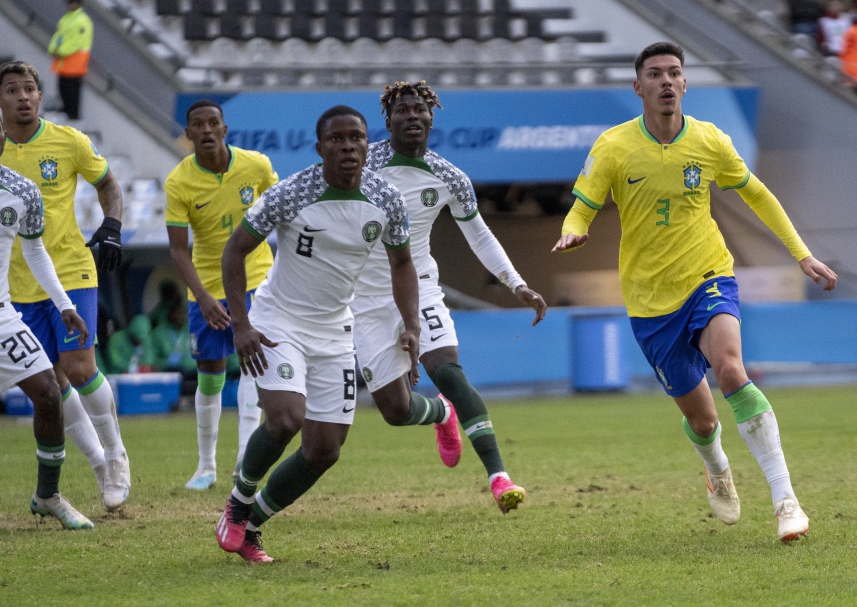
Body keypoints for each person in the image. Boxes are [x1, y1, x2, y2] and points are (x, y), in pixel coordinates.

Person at [552, 42, 838, 543]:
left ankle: (785, 501)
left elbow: (757, 194)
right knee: (704, 422)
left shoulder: (710, 141)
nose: (666, 81)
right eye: (656, 74)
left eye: (675, 73)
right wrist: (574, 229)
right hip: (648, 301)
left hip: (708, 275)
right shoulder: (613, 147)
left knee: (731, 368)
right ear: (638, 87)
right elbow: (584, 205)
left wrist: (802, 253)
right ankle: (718, 466)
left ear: (685, 84)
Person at [215, 105, 417, 562]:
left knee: (325, 450)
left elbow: (402, 264)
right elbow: (235, 252)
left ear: (369, 144)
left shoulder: (386, 199)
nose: (349, 147)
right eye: (338, 139)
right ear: (320, 147)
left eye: (357, 138)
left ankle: (250, 527)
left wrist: (411, 324)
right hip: (279, 321)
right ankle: (238, 501)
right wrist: (241, 325)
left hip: (334, 331)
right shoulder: (291, 194)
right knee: (286, 419)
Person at [352, 80, 548, 514]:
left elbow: (479, 233)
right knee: (395, 410)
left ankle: (499, 477)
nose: (412, 117)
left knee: (451, 374)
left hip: (420, 285)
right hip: (366, 296)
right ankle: (441, 415)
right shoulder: (362, 166)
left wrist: (516, 283)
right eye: (402, 110)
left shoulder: (449, 177)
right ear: (387, 120)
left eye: (420, 110)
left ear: (431, 119)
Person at [0, 61, 130, 512]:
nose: (23, 97)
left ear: (41, 97)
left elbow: (108, 184)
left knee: (81, 366)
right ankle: (99, 463)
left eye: (30, 89)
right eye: (13, 90)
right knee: (48, 382)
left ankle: (117, 455)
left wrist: (111, 225)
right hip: (14, 284)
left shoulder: (69, 142)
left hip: (70, 269)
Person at [0, 102, 93, 529]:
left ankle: (47, 495)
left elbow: (35, 251)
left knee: (49, 393)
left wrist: (65, 304)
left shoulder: (24, 191)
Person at [164, 99, 278, 490]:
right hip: (209, 288)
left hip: (257, 279)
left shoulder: (257, 166)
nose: (208, 130)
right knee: (210, 374)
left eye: (214, 123)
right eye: (199, 124)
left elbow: (281, 210)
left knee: (253, 363)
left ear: (225, 129)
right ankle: (206, 466)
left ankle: (246, 457)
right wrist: (203, 296)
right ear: (189, 134)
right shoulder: (179, 182)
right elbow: (178, 249)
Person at [48, 0, 93, 121]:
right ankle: (67, 110)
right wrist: (53, 48)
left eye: (72, 2)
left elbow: (76, 42)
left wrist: (60, 51)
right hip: (65, 61)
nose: (69, 5)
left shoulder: (82, 20)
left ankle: (73, 114)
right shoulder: (66, 18)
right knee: (63, 88)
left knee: (72, 90)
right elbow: (58, 35)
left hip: (75, 60)